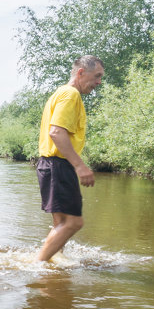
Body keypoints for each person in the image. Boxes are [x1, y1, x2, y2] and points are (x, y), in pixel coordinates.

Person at [35, 55, 104, 263]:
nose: (99, 82)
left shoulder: (60, 93)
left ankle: (54, 269)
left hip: (50, 165)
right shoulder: (70, 94)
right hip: (58, 166)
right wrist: (80, 166)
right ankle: (36, 266)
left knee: (61, 223)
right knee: (73, 223)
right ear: (81, 72)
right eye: (97, 76)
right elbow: (56, 132)